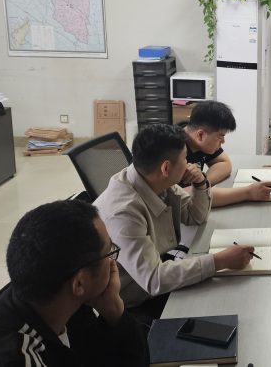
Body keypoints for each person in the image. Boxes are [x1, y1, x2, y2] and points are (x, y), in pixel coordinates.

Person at [0, 200, 148, 367]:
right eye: (109, 252)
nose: (112, 262)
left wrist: (114, 311)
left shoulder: (50, 294)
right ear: (79, 283)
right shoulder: (18, 358)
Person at [93, 124, 254, 312]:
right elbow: (154, 280)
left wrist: (201, 183)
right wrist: (219, 261)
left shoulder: (154, 178)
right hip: (133, 297)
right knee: (221, 303)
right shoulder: (124, 213)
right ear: (166, 168)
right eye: (185, 159)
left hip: (159, 266)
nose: (189, 165)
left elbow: (195, 216)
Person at [178, 100, 271, 206]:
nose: (223, 141)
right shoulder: (174, 149)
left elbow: (224, 163)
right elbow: (186, 197)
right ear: (200, 135)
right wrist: (248, 192)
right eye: (220, 137)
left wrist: (203, 183)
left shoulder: (196, 137)